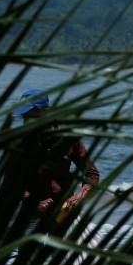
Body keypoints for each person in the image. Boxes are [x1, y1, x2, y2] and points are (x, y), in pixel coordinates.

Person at [14, 89, 100, 222]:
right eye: (23, 116)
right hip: (32, 211)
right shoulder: (19, 142)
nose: (25, 119)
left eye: (29, 114)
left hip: (64, 209)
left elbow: (92, 173)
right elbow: (11, 182)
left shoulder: (66, 138)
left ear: (44, 112)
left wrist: (79, 196)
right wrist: (33, 201)